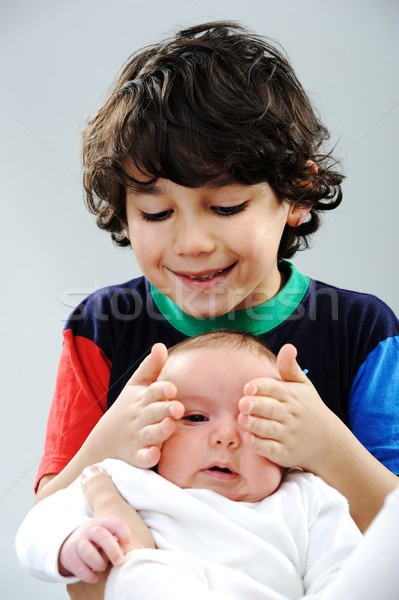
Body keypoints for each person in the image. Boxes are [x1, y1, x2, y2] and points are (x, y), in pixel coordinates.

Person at [33, 19, 399, 599]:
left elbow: (392, 541)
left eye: (225, 206)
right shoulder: (99, 327)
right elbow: (49, 535)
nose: (192, 242)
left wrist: (327, 445)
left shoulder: (362, 329)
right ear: (123, 212)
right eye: (156, 214)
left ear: (297, 196)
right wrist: (107, 444)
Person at [17, 331, 365, 599]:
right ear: (152, 429)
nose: (226, 437)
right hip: (159, 586)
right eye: (196, 417)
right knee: (142, 576)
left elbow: (347, 578)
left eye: (254, 421)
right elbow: (39, 524)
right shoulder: (122, 479)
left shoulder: (308, 499)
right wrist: (70, 543)